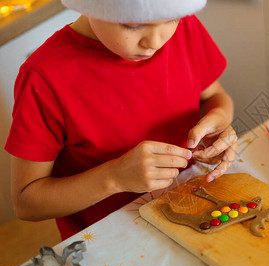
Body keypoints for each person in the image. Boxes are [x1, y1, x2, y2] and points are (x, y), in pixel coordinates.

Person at [5, 0, 238, 240]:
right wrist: (114, 178)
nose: (155, 42)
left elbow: (214, 96)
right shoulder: (44, 77)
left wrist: (218, 118)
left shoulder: (184, 25)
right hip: (112, 237)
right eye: (133, 25)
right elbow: (27, 202)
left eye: (170, 20)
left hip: (191, 206)